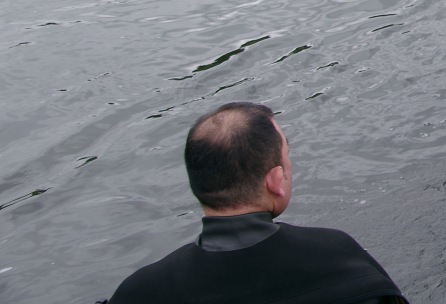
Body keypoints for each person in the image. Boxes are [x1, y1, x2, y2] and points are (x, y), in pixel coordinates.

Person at [106, 102, 407, 304]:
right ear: (275, 181)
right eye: (287, 157)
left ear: (197, 182)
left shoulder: (140, 292)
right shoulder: (340, 257)